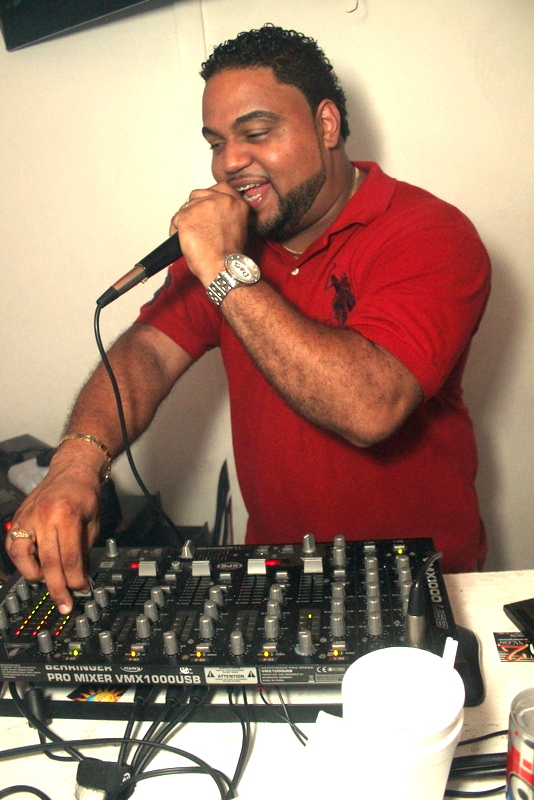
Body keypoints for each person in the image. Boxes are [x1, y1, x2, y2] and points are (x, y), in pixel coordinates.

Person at [6, 25, 490, 614]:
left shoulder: (428, 232)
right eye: (217, 142)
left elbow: (371, 407)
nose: (230, 163)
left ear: (327, 124)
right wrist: (76, 463)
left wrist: (223, 267)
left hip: (421, 579)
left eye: (257, 133)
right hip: (276, 573)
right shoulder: (235, 242)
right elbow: (148, 353)